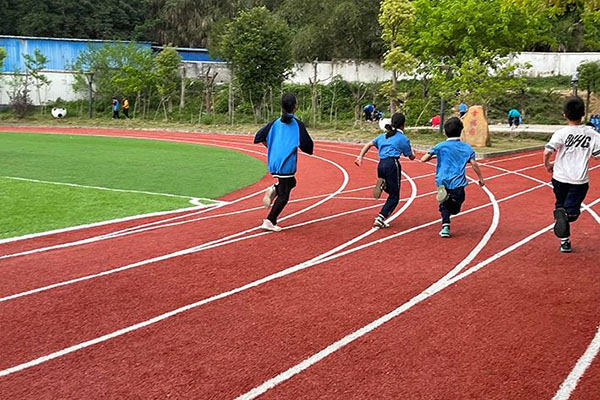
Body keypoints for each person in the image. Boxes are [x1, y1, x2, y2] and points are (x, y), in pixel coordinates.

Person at [543, 96, 600, 253]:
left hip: (559, 178)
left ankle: (565, 240)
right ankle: (566, 218)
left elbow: (547, 151)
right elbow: (597, 155)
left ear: (564, 115)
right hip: (579, 179)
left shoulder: (561, 133)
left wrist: (548, 165)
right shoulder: (592, 134)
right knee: (572, 212)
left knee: (560, 206)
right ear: (583, 114)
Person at [254, 94, 314, 232]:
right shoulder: (297, 124)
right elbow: (307, 146)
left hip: (274, 161)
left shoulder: (274, 122)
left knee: (291, 183)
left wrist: (272, 147)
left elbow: (258, 137)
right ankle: (270, 220)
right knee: (284, 194)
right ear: (295, 107)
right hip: (286, 163)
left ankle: (274, 189)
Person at [420, 117, 485, 238]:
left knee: (444, 204)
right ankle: (447, 218)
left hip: (442, 180)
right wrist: (481, 179)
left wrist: (434, 156)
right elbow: (474, 163)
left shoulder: (439, 147)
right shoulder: (467, 148)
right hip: (457, 182)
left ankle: (445, 224)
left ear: (445, 131)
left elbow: (423, 159)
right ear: (461, 131)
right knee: (455, 207)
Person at [355, 113, 416, 229]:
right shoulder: (403, 139)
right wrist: (414, 152)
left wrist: (360, 157)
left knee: (391, 188)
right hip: (392, 164)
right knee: (395, 196)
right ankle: (381, 217)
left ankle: (384, 185)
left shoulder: (383, 136)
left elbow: (369, 144)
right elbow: (411, 157)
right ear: (403, 125)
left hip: (381, 164)